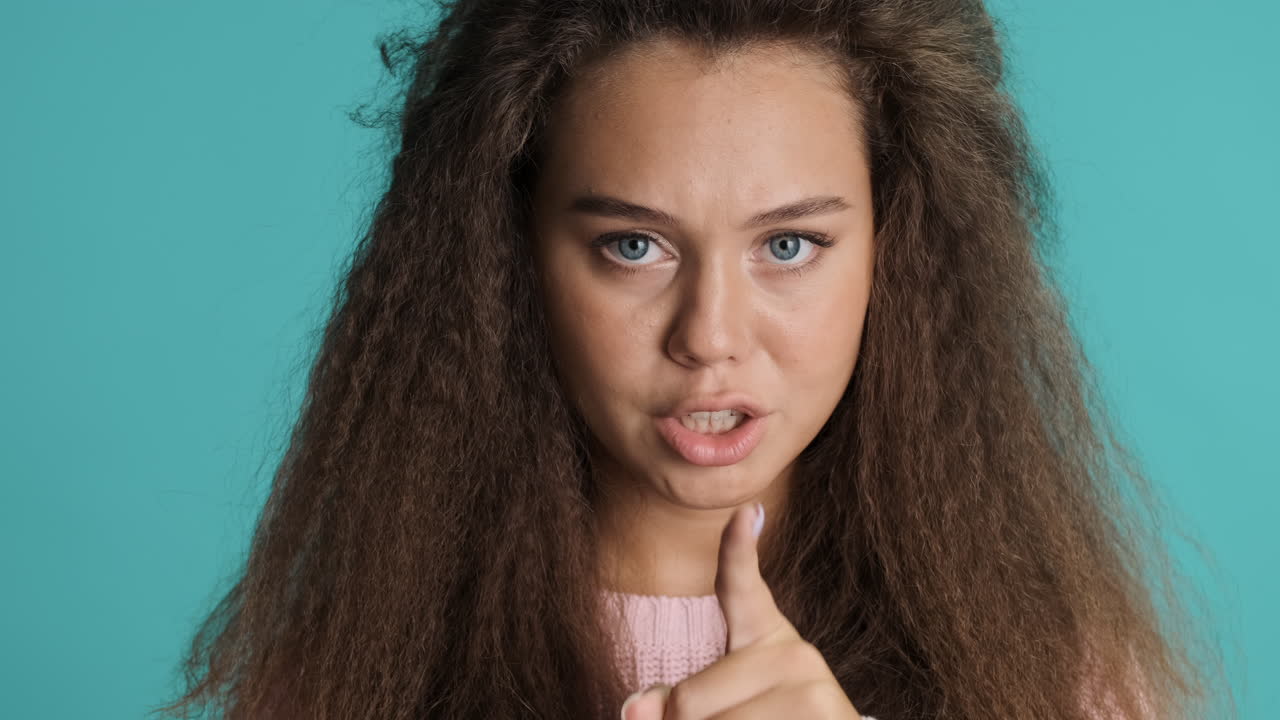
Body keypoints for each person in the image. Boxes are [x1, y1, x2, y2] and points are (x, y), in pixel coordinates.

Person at [152, 1, 1233, 719]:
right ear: (511, 260)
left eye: (788, 245)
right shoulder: (338, 682)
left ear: (891, 257)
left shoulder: (1060, 680)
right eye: (633, 246)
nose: (708, 334)